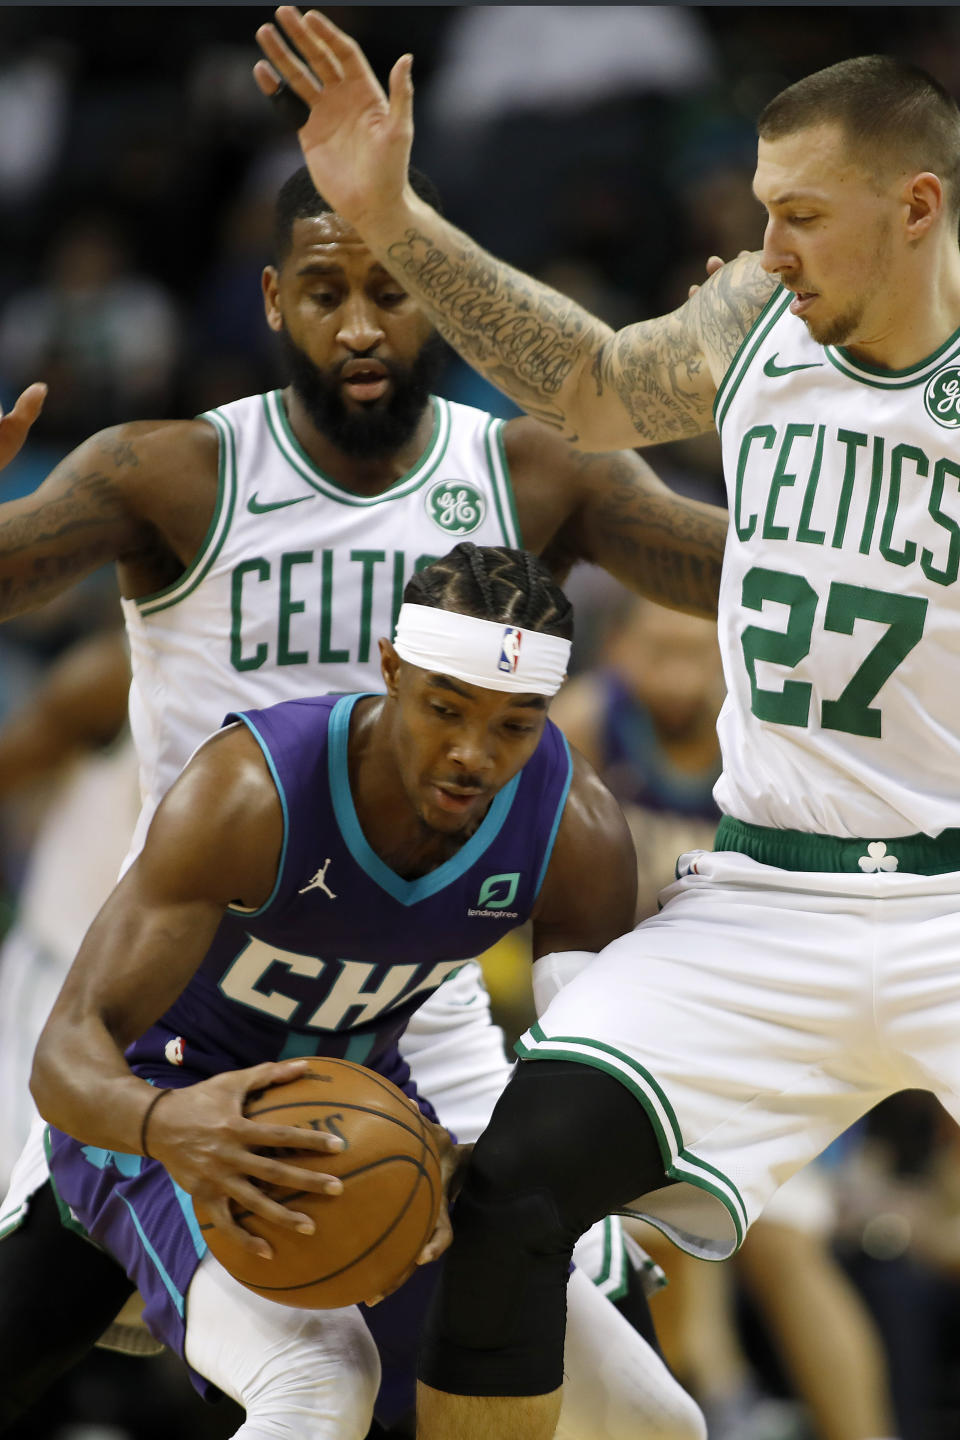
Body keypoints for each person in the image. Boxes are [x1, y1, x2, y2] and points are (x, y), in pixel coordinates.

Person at [256, 14, 960, 1436]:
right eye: (763, 212)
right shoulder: (757, 324)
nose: (768, 246)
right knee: (512, 1193)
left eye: (803, 216)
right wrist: (391, 211)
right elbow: (585, 385)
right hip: (772, 897)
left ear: (918, 206)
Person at [0, 158, 723, 1434]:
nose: (359, 325)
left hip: (408, 1013)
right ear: (273, 301)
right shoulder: (177, 475)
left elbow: (760, 583)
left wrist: (797, 432)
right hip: (187, 986)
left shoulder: (533, 482)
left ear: (441, 299)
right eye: (325, 292)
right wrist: (166, 1122)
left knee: (598, 1364)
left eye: (393, 291)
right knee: (94, 1330)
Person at [32, 543, 634, 1440]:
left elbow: (594, 1079)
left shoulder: (572, 826)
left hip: (360, 1118)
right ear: (390, 668)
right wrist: (169, 1128)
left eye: (517, 724)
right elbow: (62, 1056)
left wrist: (482, 1160)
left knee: (651, 1421)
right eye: (445, 709)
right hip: (166, 1105)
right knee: (319, 1387)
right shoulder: (251, 790)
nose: (474, 753)